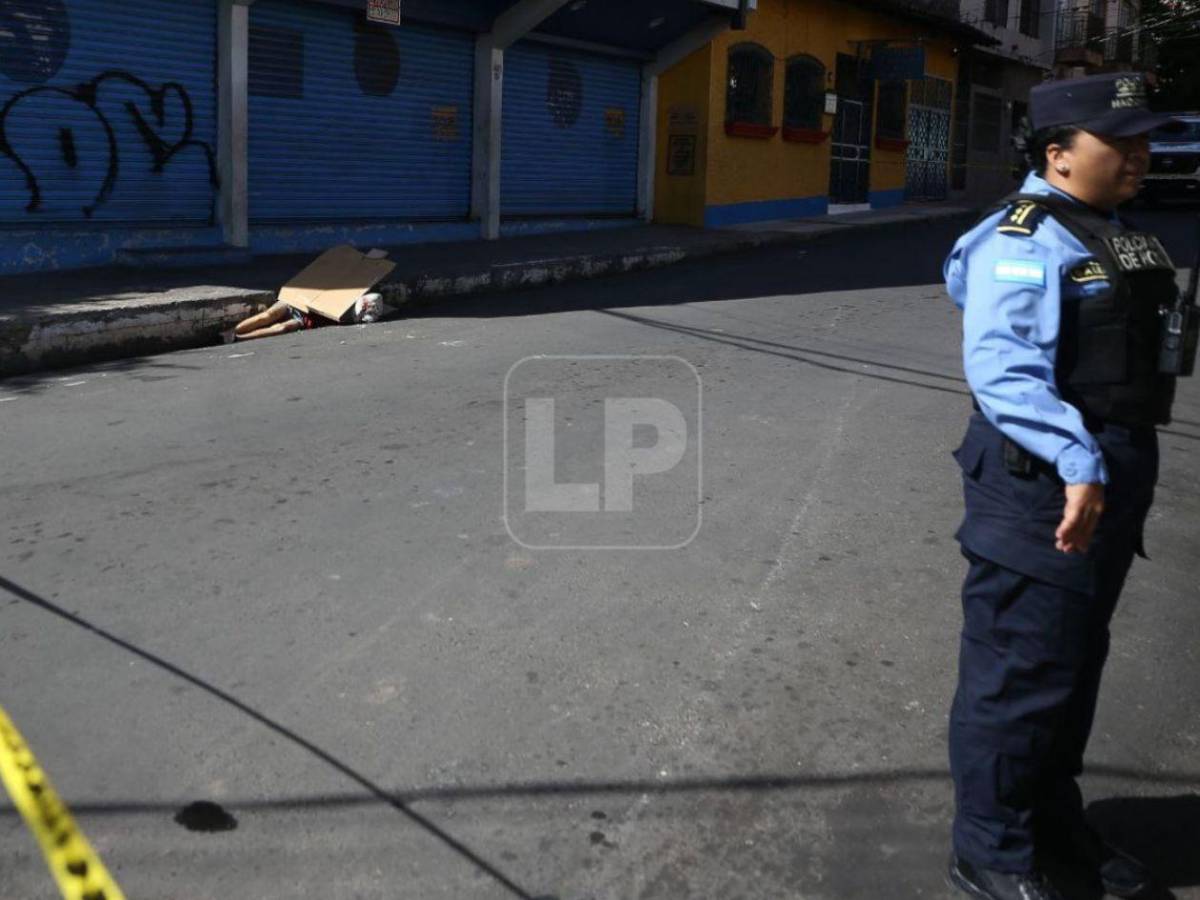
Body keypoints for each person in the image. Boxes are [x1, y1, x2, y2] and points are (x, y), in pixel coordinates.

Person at [942, 73, 1190, 900]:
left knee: (1073, 664)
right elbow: (1004, 372)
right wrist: (1079, 462)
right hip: (1044, 483)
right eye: (1119, 142)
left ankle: (1054, 824)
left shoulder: (1108, 231)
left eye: (1143, 139)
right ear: (1058, 154)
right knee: (1018, 671)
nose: (1139, 154)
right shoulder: (1022, 237)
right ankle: (990, 851)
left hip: (1108, 474)